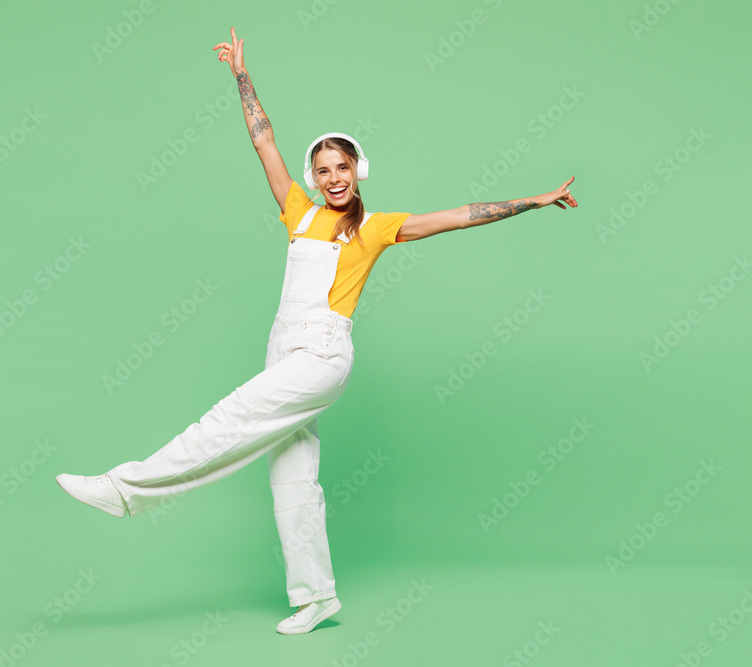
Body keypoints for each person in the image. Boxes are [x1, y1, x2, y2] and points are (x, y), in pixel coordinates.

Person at [56, 27, 578, 635]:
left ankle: (126, 490)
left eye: (343, 167)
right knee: (293, 481)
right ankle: (317, 597)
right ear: (314, 174)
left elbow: (457, 216)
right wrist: (241, 77)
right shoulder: (297, 212)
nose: (333, 177)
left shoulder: (378, 227)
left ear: (358, 170)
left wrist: (534, 201)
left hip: (322, 353)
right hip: (283, 345)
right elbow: (264, 141)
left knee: (227, 419)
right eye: (323, 168)